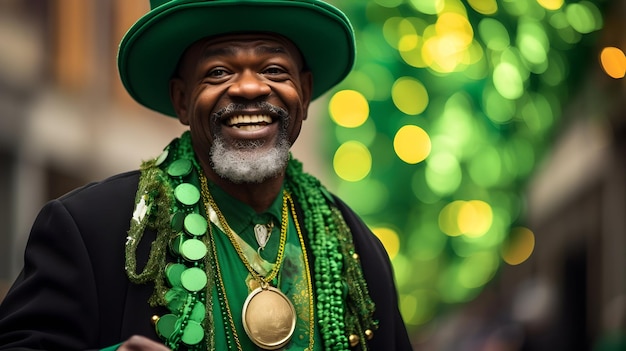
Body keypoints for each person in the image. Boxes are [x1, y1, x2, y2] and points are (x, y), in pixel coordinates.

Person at [0, 0, 412, 350]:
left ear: (303, 93)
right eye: (219, 72)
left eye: (273, 69)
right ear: (181, 99)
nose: (250, 88)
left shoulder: (355, 248)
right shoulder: (90, 229)